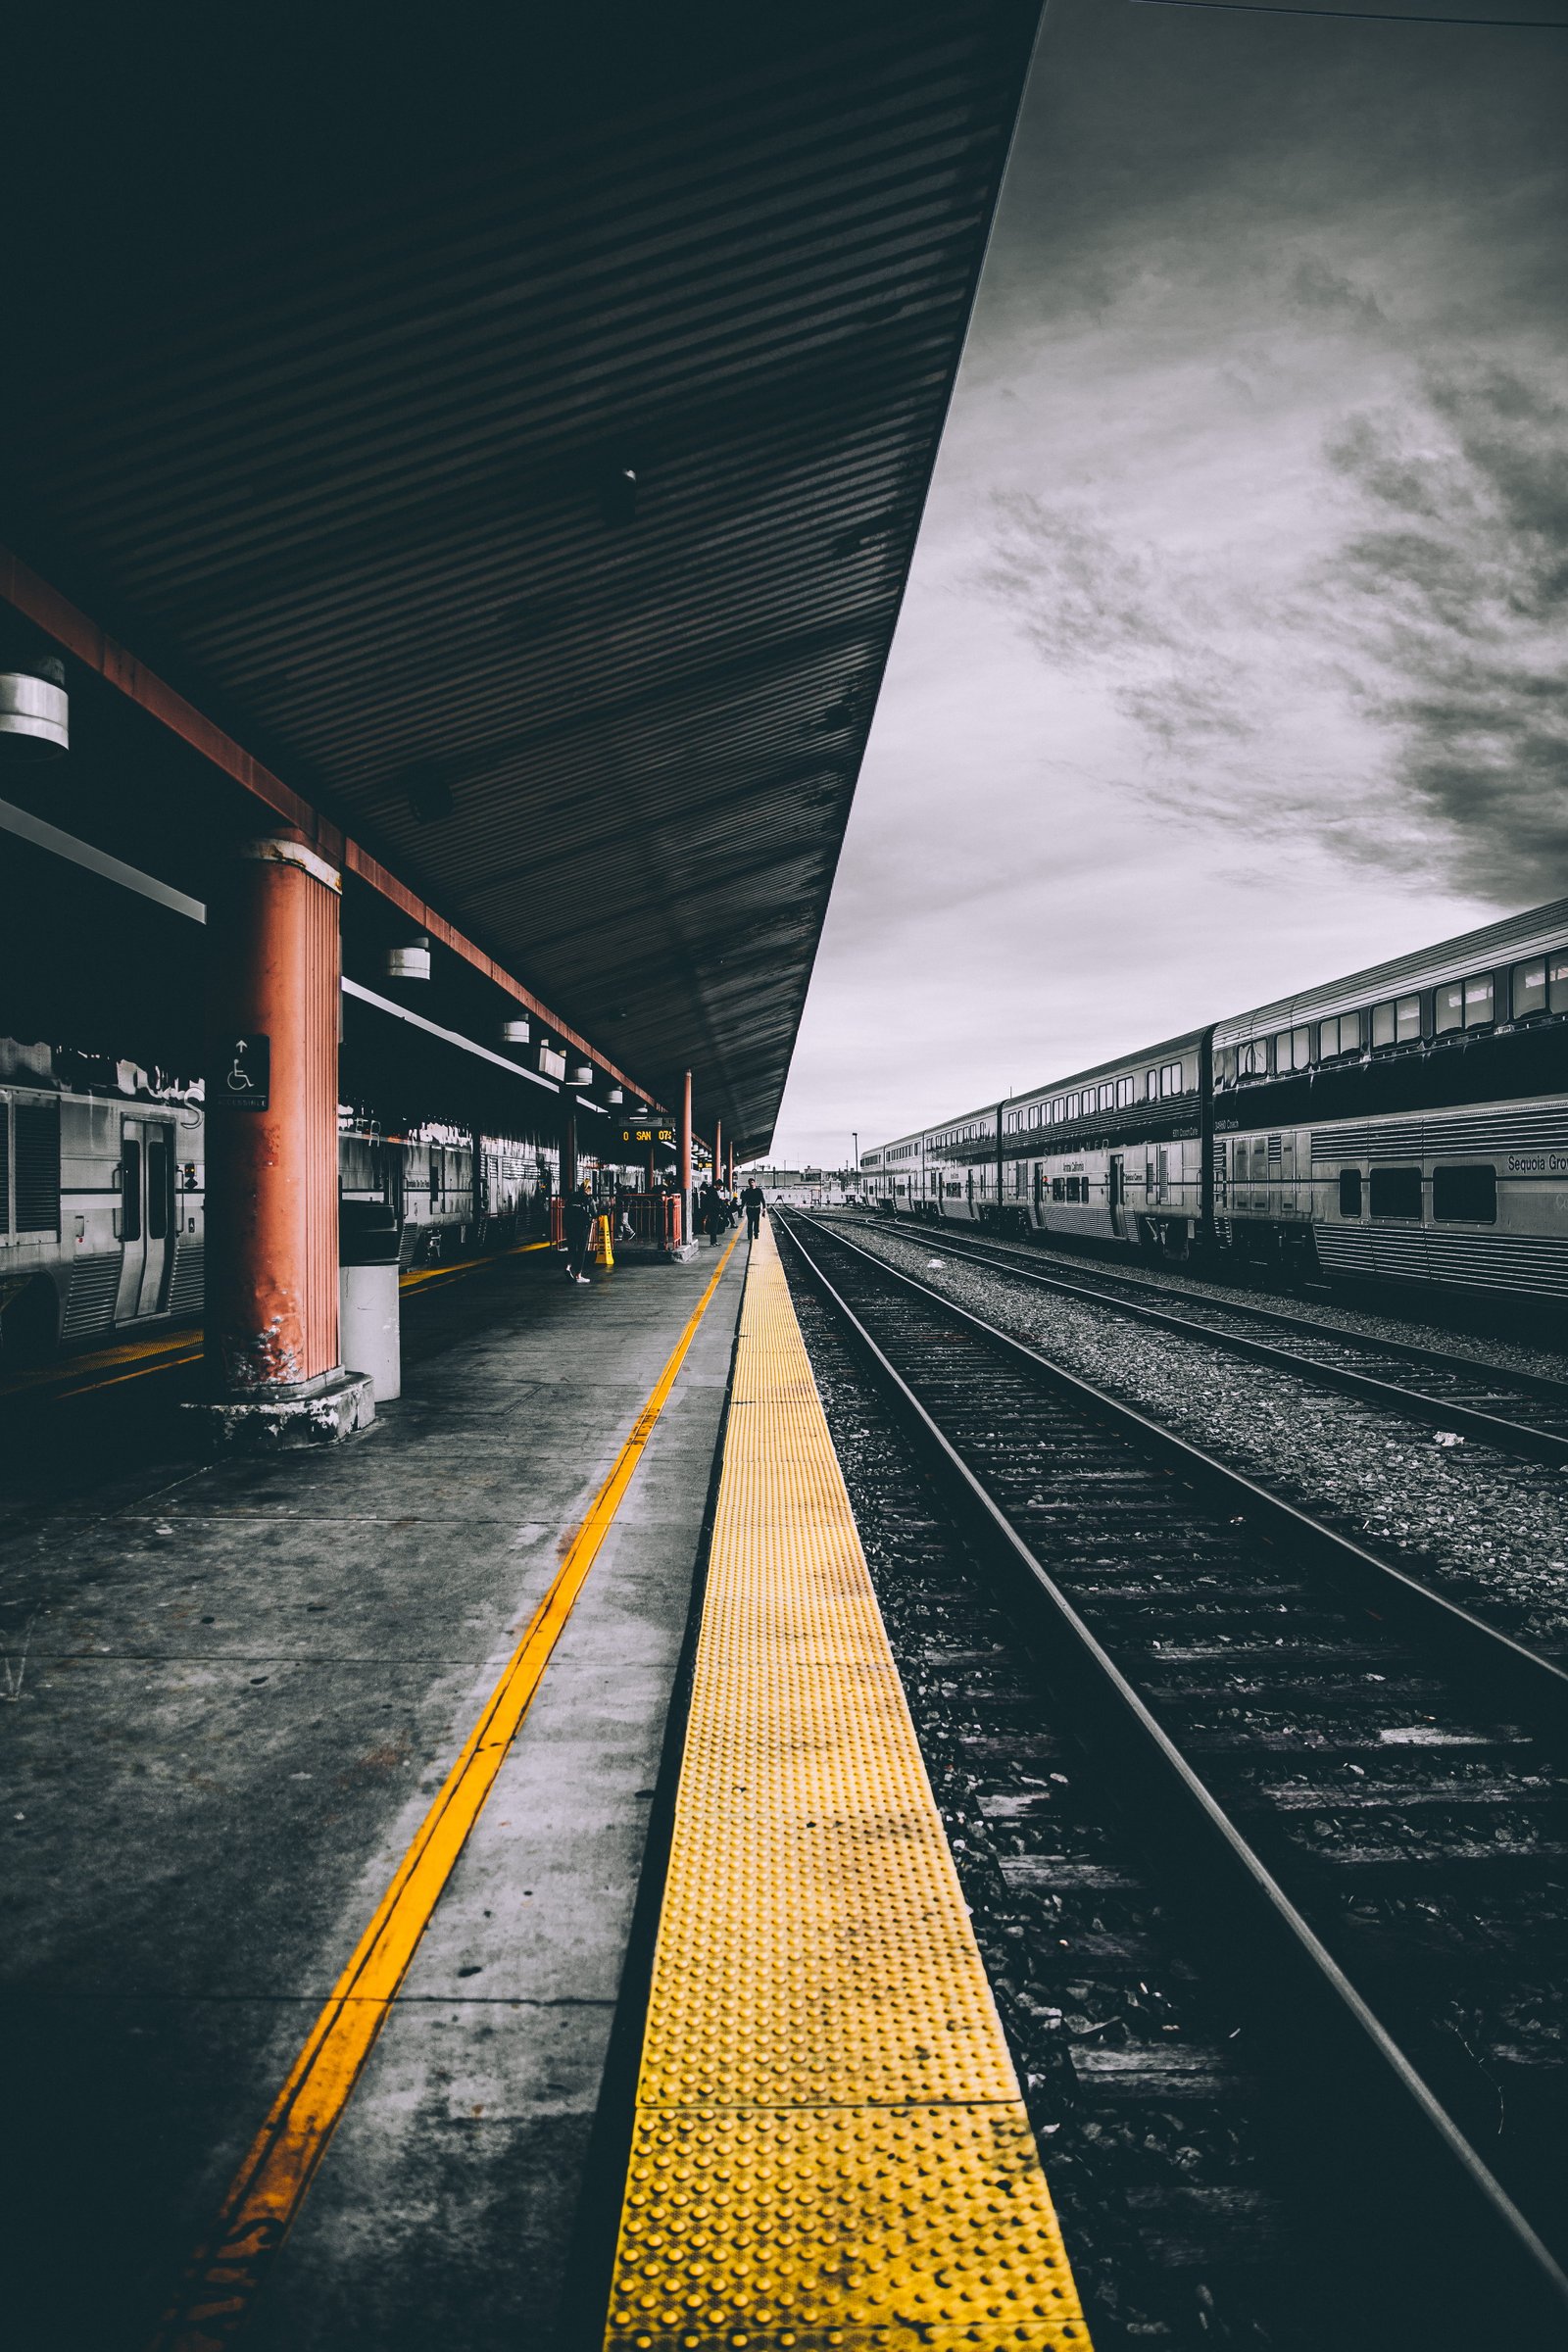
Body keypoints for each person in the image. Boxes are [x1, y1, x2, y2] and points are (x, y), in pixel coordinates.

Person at [564, 1177, 596, 1284]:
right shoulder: (589, 1199)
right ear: (588, 1188)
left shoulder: (572, 1197)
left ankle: (568, 1267)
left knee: (571, 1248)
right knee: (581, 1250)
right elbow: (594, 1212)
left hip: (570, 1227)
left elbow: (566, 1211)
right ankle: (578, 1275)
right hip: (582, 1228)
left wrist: (566, 1226)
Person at [702, 1181, 725, 1247]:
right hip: (713, 1211)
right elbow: (712, 1202)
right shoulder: (712, 1191)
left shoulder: (711, 1190)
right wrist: (720, 1203)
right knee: (713, 1227)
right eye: (720, 1186)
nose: (720, 1188)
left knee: (715, 1227)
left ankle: (714, 1241)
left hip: (714, 1211)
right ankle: (712, 1242)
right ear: (717, 1185)